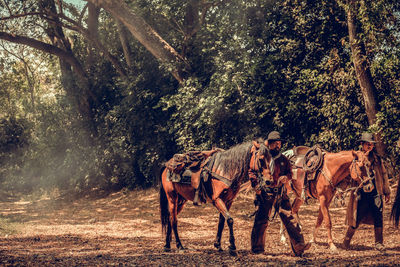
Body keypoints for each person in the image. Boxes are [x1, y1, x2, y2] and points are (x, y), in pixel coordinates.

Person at [249, 131, 311, 256]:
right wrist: (256, 186)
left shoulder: (283, 159)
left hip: (280, 194)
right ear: (270, 144)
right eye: (275, 143)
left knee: (290, 218)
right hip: (265, 194)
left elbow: (289, 173)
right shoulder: (261, 157)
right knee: (261, 220)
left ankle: (299, 246)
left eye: (279, 143)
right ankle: (257, 249)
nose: (278, 145)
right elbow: (252, 171)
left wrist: (286, 178)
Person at [343, 132, 391, 251]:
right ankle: (346, 241)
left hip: (376, 191)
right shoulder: (356, 158)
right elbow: (350, 175)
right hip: (361, 192)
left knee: (378, 215)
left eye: (371, 144)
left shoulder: (377, 159)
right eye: (367, 144)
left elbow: (384, 175)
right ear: (362, 145)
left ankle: (379, 243)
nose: (370, 146)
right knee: (357, 216)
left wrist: (387, 191)